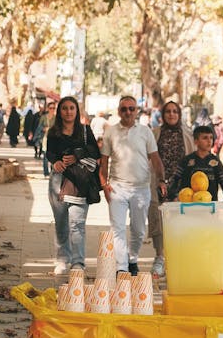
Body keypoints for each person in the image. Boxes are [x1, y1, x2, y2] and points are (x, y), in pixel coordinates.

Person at [99, 94, 166, 275]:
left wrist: (161, 180)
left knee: (138, 231)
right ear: (119, 111)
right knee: (117, 229)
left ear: (136, 111)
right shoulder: (110, 132)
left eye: (131, 108)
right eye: (124, 109)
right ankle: (121, 268)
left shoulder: (146, 132)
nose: (128, 112)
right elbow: (103, 162)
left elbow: (155, 158)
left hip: (141, 189)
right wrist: (104, 185)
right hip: (117, 188)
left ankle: (132, 259)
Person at [46, 95, 101, 274]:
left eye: (72, 108)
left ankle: (78, 262)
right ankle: (62, 259)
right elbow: (50, 153)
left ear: (77, 111)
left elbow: (95, 150)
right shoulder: (53, 132)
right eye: (64, 108)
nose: (68, 112)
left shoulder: (85, 130)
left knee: (77, 224)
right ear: (59, 111)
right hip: (58, 181)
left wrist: (78, 154)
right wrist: (55, 162)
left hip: (80, 182)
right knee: (61, 223)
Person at [148, 101, 194, 278]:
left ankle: (176, 260)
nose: (171, 114)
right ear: (162, 114)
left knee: (179, 221)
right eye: (168, 111)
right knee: (158, 220)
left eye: (175, 111)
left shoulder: (187, 135)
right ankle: (160, 257)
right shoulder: (155, 133)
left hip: (182, 185)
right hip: (159, 182)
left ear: (179, 114)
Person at [168, 125, 223, 212]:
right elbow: (175, 179)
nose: (209, 141)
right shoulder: (187, 160)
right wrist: (172, 196)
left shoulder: (215, 162)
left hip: (210, 207)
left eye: (211, 138)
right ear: (196, 141)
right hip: (188, 208)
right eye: (205, 138)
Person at [42, 101, 57, 175]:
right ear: (48, 108)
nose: (52, 110)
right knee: (45, 156)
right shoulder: (44, 117)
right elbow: (39, 127)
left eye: (54, 108)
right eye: (51, 108)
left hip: (54, 140)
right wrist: (44, 129)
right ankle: (45, 172)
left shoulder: (56, 118)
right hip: (45, 138)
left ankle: (52, 171)